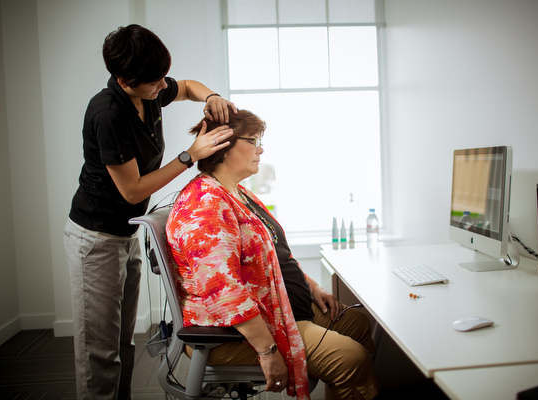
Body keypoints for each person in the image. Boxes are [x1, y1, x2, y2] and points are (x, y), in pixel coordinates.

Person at [63, 24, 236, 400]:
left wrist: (213, 97)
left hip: (124, 234)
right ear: (125, 80)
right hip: (95, 238)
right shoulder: (107, 114)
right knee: (100, 352)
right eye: (155, 82)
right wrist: (191, 155)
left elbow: (188, 86)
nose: (163, 87)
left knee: (123, 344)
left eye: (162, 78)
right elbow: (133, 190)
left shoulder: (149, 92)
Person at [166, 109, 382, 400]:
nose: (261, 149)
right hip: (234, 335)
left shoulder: (239, 194)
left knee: (357, 324)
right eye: (253, 140)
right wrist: (267, 352)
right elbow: (223, 292)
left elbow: (272, 255)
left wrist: (311, 286)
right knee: (351, 358)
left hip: (277, 307)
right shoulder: (205, 204)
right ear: (223, 146)